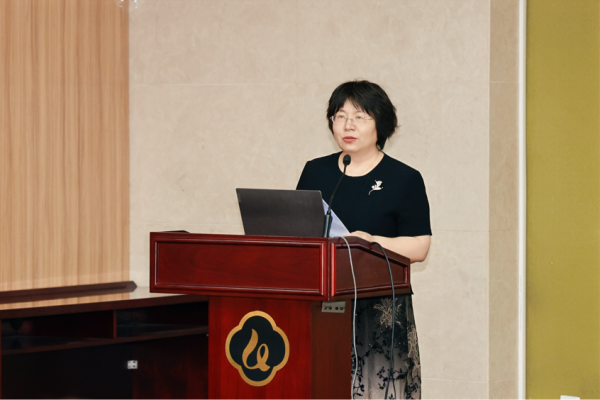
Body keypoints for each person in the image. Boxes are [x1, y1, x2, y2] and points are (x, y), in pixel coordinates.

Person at [296, 80, 431, 400]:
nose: (348, 125)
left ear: (380, 123)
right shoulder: (315, 172)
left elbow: (420, 246)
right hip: (322, 302)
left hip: (379, 308)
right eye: (340, 116)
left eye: (359, 116)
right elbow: (299, 233)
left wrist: (370, 241)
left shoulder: (404, 178)